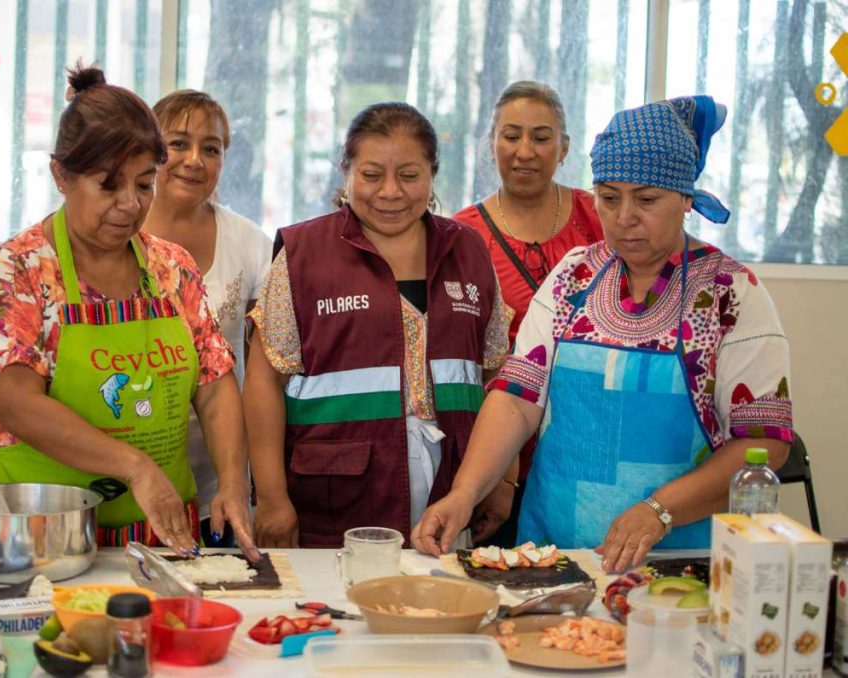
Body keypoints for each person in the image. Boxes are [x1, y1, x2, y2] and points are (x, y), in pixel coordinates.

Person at [413, 95, 793, 573]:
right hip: (553, 556)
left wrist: (661, 509)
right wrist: (464, 494)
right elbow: (515, 399)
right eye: (609, 198)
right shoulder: (573, 276)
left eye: (647, 199)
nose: (624, 217)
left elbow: (764, 442)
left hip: (683, 562)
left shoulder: (729, 295)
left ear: (686, 199)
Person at [0, 65, 258, 559]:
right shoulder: (19, 268)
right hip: (45, 536)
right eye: (109, 185)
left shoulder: (171, 267)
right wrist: (134, 466)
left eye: (144, 185)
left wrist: (231, 482)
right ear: (61, 175)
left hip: (161, 530)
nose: (129, 204)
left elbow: (214, 383)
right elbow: (16, 399)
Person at [244, 102, 513, 548]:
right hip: (336, 495)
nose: (390, 192)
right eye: (371, 175)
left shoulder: (468, 251)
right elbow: (262, 382)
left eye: (409, 176)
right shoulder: (303, 253)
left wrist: (502, 481)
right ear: (345, 171)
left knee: (435, 610)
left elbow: (499, 378)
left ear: (432, 174)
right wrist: (272, 499)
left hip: (452, 488)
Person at [452, 81, 603, 546]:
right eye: (510, 135)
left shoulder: (600, 215)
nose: (525, 151)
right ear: (490, 143)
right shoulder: (461, 235)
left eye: (541, 137)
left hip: (591, 437)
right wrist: (499, 477)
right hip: (495, 444)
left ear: (564, 148)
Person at [143, 90, 272, 546]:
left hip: (218, 479)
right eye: (178, 144)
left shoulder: (252, 244)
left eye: (211, 148)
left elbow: (265, 371)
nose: (194, 160)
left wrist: (245, 483)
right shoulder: (114, 231)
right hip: (122, 478)